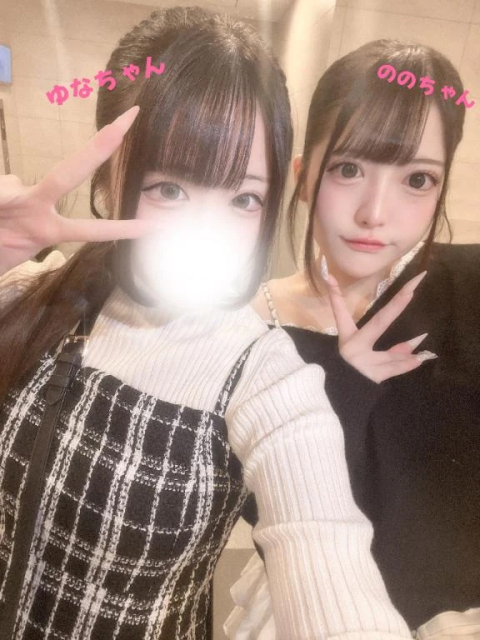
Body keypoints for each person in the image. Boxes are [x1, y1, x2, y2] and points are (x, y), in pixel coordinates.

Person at [0, 11, 424, 640]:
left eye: (243, 199)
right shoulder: (28, 293)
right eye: (169, 188)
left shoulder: (265, 376)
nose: (207, 233)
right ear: (109, 175)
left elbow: (323, 540)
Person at [226, 39, 480, 640]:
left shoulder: (468, 288)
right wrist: (344, 389)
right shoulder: (244, 332)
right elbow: (268, 511)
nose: (375, 213)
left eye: (417, 179)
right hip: (315, 609)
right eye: (348, 169)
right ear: (302, 176)